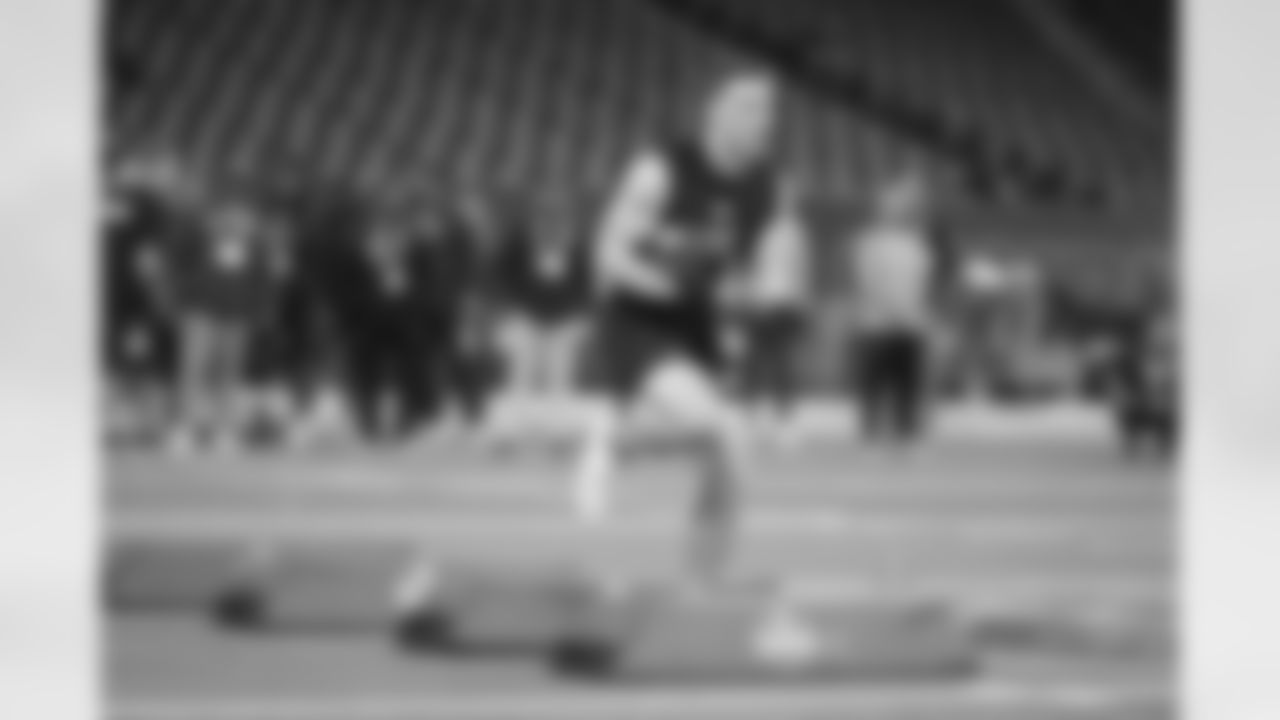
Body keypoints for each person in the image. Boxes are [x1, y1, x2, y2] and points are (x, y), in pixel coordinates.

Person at [571, 71, 800, 582]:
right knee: (725, 428)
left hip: (699, 324)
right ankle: (613, 444)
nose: (765, 119)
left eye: (769, 108)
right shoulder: (661, 169)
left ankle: (704, 581)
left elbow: (767, 266)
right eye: (749, 106)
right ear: (714, 115)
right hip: (636, 317)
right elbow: (607, 255)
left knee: (731, 451)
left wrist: (754, 300)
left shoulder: (768, 185)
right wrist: (667, 283)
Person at [844, 167, 950, 445]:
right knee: (873, 392)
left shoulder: (918, 244)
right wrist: (893, 308)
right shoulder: (867, 243)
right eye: (889, 205)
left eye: (900, 206)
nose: (895, 210)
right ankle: (873, 436)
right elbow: (866, 281)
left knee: (908, 393)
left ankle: (907, 435)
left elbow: (922, 284)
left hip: (907, 326)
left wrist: (916, 316)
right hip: (878, 325)